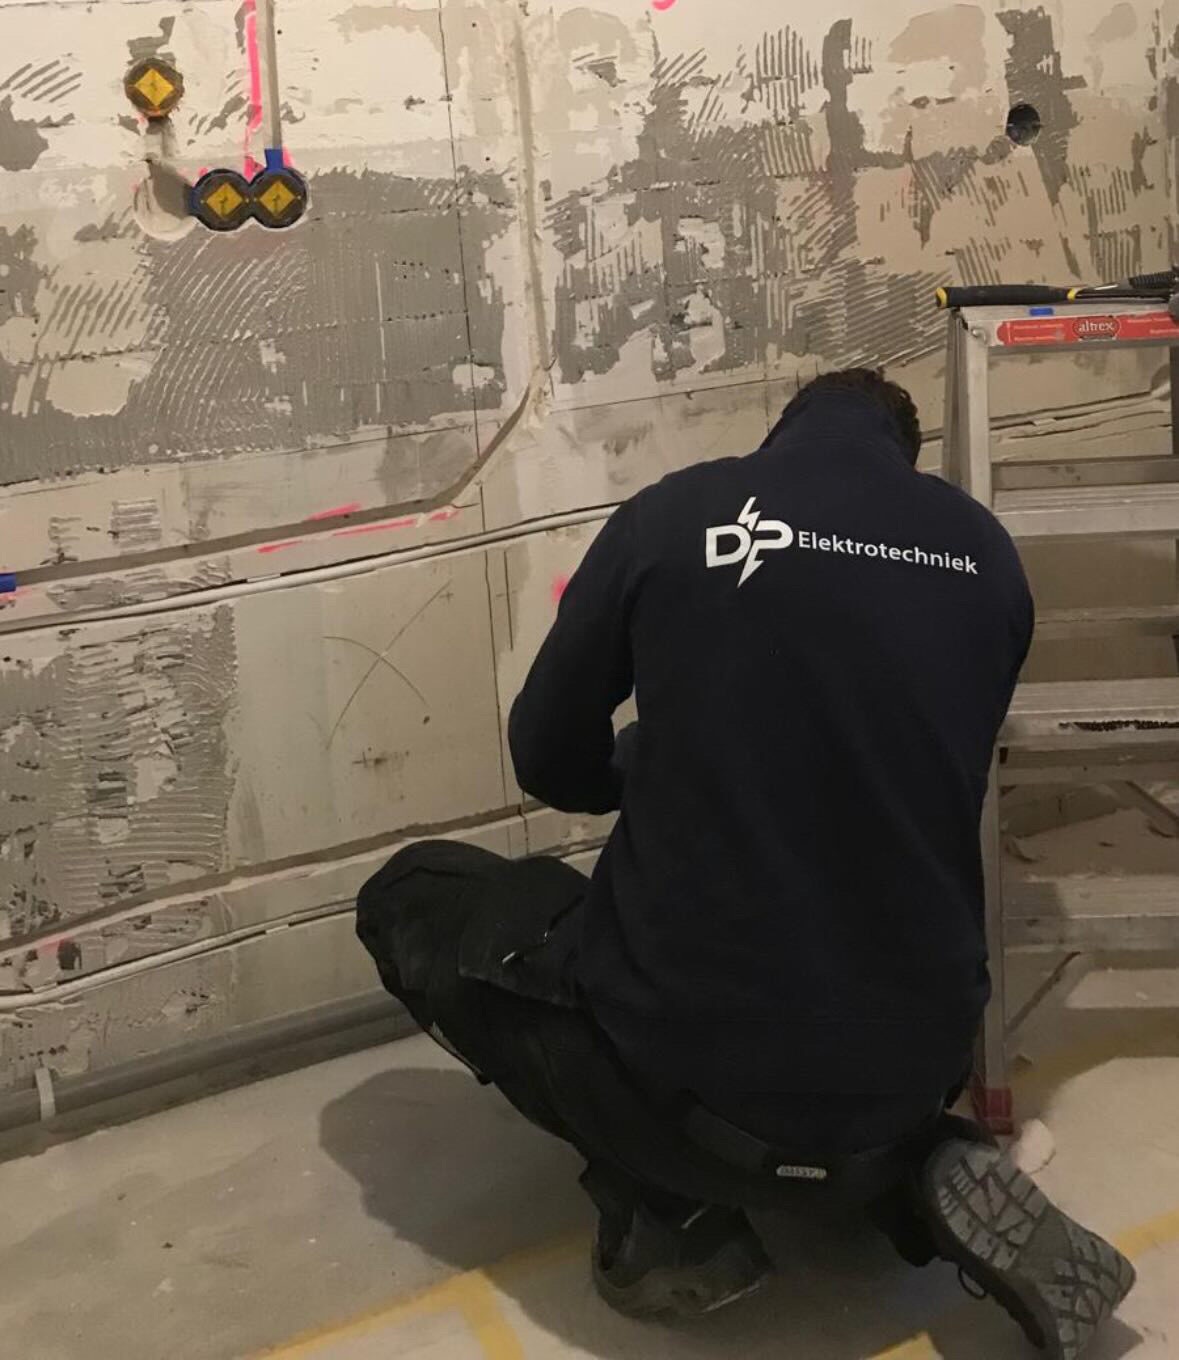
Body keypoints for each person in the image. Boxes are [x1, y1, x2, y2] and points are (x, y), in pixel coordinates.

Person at [357, 369, 1135, 1355]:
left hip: (700, 1093)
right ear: (904, 457)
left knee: (420, 893)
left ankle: (673, 1212)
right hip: (920, 1061)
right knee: (843, 1008)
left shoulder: (679, 515)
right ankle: (917, 1161)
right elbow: (916, 757)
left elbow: (548, 755)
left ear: (782, 434)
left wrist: (635, 769)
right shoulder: (985, 553)